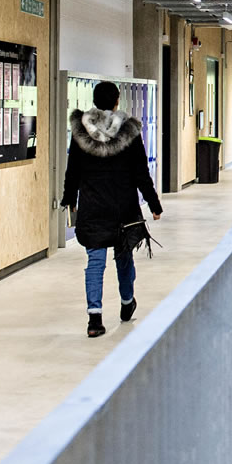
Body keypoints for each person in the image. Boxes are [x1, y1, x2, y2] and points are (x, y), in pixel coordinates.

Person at [61, 81, 162, 337]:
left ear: (95, 101)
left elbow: (73, 170)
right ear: (117, 101)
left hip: (92, 207)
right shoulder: (128, 132)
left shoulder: (81, 131)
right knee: (123, 256)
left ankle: (94, 318)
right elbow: (141, 172)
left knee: (95, 261)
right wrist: (153, 203)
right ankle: (127, 302)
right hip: (123, 208)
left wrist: (69, 198)